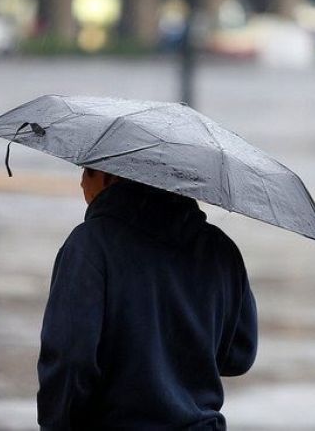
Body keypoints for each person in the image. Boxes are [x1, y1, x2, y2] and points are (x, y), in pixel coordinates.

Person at [37, 167, 258, 430]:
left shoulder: (91, 244)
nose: (81, 181)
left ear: (110, 175)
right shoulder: (221, 249)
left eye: (87, 171)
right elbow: (238, 355)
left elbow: (71, 359)